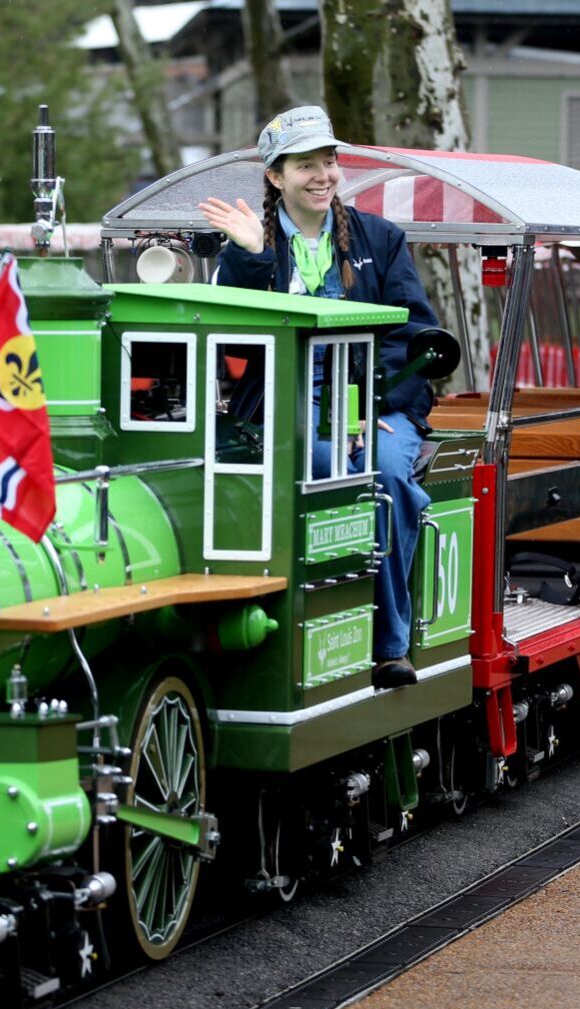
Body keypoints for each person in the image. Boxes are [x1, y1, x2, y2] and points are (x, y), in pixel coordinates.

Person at [199, 106, 439, 690]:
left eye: (329, 161)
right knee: (323, 460)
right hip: (286, 405)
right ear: (275, 176)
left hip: (379, 406)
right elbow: (232, 346)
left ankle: (389, 644)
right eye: (305, 164)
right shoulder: (248, 247)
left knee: (381, 471)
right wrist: (252, 256)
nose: (323, 175)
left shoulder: (381, 239)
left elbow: (416, 338)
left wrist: (370, 404)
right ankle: (312, 622)